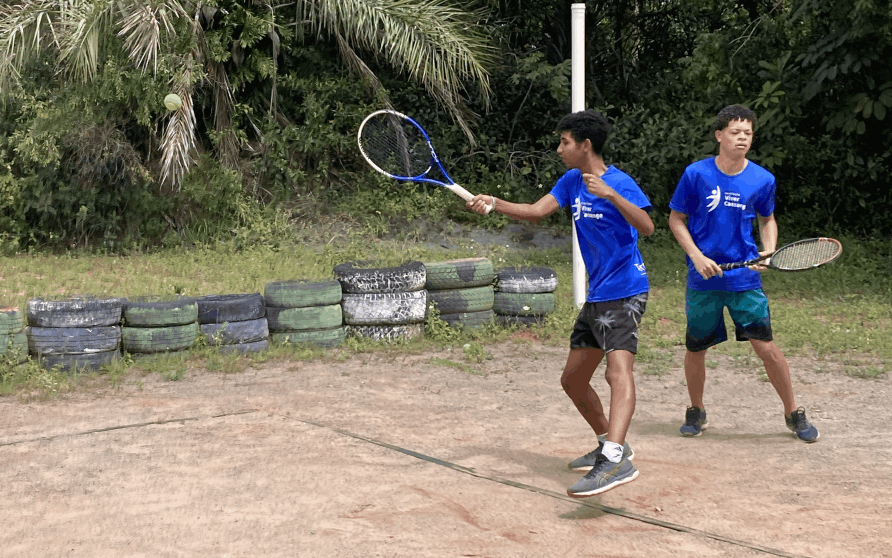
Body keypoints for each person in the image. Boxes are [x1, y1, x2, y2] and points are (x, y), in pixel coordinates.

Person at [467, 109, 654, 497]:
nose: (559, 149)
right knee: (572, 379)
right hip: (598, 294)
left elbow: (647, 226)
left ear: (585, 145)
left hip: (625, 289)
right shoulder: (572, 180)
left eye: (564, 142)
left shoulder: (620, 182)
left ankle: (615, 459)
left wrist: (612, 195)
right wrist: (494, 203)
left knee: (617, 373)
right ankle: (609, 441)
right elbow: (537, 212)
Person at [667, 104, 819, 443]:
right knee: (696, 348)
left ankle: (793, 412)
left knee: (765, 347)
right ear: (719, 135)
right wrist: (696, 256)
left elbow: (768, 220)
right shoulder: (696, 174)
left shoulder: (763, 179)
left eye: (748, 133)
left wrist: (768, 250)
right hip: (703, 279)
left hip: (744, 280)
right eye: (735, 132)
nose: (742, 138)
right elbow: (676, 219)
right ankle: (696, 410)